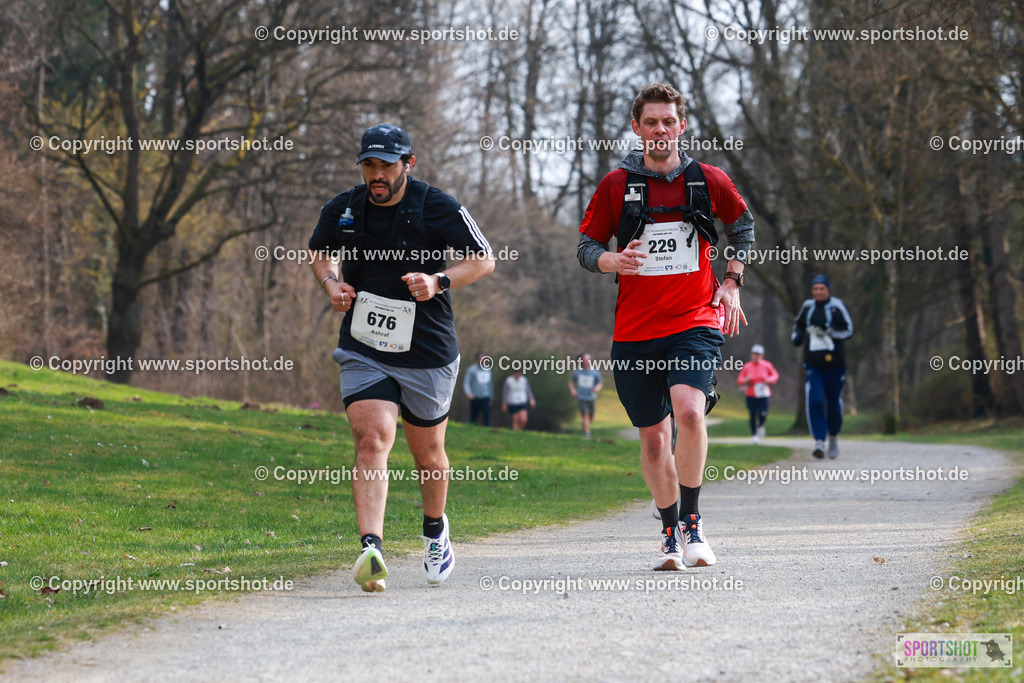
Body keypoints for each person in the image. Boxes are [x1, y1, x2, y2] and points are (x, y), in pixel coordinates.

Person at [308, 123, 494, 592]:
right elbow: (321, 253)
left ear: (408, 164)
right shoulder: (344, 208)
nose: (377, 174)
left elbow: (484, 258)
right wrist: (332, 284)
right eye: (369, 164)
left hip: (427, 350)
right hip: (364, 345)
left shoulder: (437, 206)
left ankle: (435, 530)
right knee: (372, 438)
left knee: (428, 453)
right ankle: (371, 548)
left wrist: (439, 281)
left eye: (386, 165)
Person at [577, 83, 755, 570]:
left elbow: (743, 226)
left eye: (668, 121)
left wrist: (732, 281)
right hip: (634, 332)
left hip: (694, 320)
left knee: (691, 414)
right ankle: (669, 531)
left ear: (682, 125)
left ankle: (694, 524)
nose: (660, 129)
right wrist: (612, 259)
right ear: (637, 128)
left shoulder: (707, 179)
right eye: (650, 122)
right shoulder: (616, 185)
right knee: (655, 440)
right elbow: (586, 248)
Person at [791, 274, 854, 459]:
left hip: (835, 364)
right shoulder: (808, 307)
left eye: (822, 288)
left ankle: (833, 437)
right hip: (813, 364)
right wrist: (798, 337)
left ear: (828, 290)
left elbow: (848, 329)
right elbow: (798, 325)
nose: (818, 292)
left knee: (833, 403)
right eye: (815, 289)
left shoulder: (837, 306)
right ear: (813, 291)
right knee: (815, 400)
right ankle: (819, 440)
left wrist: (831, 331)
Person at [736, 344, 779, 444]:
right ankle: (754, 435)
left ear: (762, 355)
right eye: (754, 354)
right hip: (751, 393)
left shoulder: (767, 365)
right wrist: (745, 380)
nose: (756, 356)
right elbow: (740, 379)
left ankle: (760, 425)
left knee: (763, 413)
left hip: (764, 393)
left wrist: (770, 379)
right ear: (751, 355)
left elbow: (775, 375)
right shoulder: (747, 366)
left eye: (758, 354)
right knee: (752, 414)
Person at [569, 353, 604, 438]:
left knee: (591, 418)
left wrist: (597, 388)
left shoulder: (594, 372)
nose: (587, 361)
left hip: (591, 397)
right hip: (581, 397)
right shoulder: (577, 371)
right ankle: (587, 434)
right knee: (585, 415)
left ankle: (584, 423)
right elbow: (571, 382)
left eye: (588, 359)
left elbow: (600, 382)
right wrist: (573, 390)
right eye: (585, 359)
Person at [463, 351, 493, 426]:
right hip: (475, 397)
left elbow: (490, 384)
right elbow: (466, 382)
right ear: (477, 359)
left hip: (486, 397)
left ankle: (488, 433)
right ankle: (470, 431)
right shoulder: (471, 370)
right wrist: (468, 393)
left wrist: (491, 397)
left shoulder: (488, 370)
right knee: (473, 417)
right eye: (480, 358)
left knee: (486, 416)